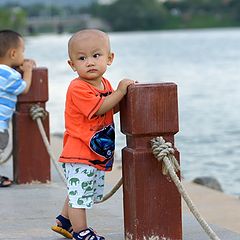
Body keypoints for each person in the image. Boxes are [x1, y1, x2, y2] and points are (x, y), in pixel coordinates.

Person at [51, 29, 135, 240]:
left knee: (79, 189)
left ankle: (64, 220)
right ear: (72, 65)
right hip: (79, 152)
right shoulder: (78, 87)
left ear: (109, 58)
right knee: (80, 196)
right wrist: (121, 92)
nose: (89, 62)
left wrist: (120, 98)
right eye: (82, 58)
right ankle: (81, 232)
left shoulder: (105, 84)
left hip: (94, 152)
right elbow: (98, 108)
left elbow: (108, 108)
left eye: (96, 56)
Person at [0, 29, 36, 187]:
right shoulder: (11, 76)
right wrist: (27, 71)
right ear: (13, 53)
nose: (24, 55)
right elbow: (24, 88)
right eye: (23, 51)